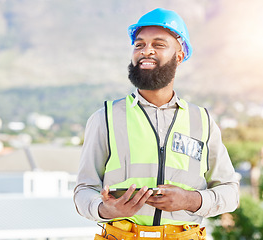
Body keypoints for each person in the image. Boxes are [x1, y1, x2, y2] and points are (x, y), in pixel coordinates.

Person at [74, 8, 239, 239]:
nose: (146, 51)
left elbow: (231, 192)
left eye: (159, 44)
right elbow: (84, 190)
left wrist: (191, 200)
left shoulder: (203, 121)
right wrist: (105, 209)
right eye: (139, 45)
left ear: (179, 56)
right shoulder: (105, 118)